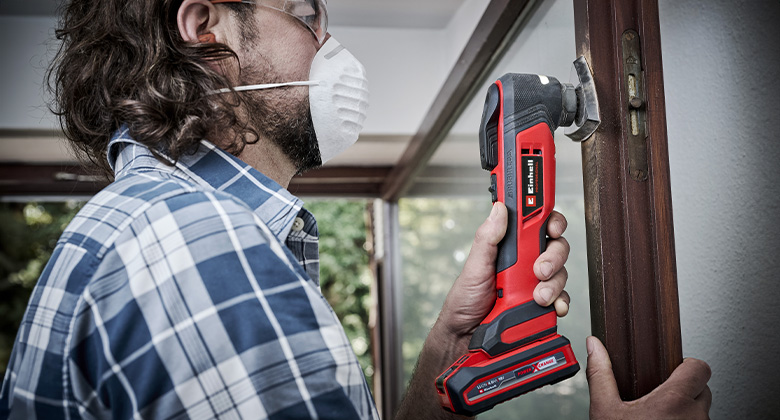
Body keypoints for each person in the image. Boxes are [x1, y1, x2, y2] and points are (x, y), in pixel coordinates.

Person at [0, 0, 711, 419]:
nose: (330, 44)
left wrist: (452, 350)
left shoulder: (150, 223)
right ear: (206, 26)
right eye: (306, 15)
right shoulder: (199, 245)